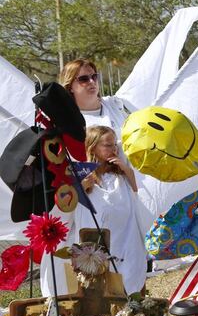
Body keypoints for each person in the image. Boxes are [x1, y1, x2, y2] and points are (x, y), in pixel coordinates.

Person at [42, 125, 151, 296]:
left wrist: (126, 169)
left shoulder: (120, 176)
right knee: (94, 287)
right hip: (92, 243)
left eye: (114, 145)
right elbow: (66, 206)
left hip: (124, 240)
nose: (114, 149)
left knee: (125, 284)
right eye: (108, 145)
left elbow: (140, 195)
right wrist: (81, 188)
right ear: (93, 147)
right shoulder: (80, 174)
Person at [60, 59, 135, 138]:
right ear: (70, 87)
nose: (92, 81)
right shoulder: (69, 122)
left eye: (94, 76)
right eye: (84, 79)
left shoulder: (116, 104)